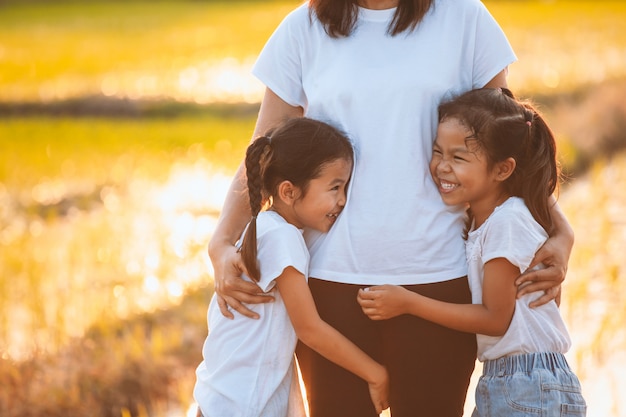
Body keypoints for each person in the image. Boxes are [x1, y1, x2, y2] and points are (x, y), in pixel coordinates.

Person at [208, 1, 574, 416]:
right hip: (328, 286)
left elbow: (507, 145)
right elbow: (263, 155)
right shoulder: (302, 29)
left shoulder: (465, 19)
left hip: (439, 280)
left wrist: (561, 232)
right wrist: (220, 242)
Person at [358, 87, 587, 416]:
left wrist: (407, 302)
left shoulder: (506, 221)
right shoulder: (493, 220)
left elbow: (495, 319)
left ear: (502, 170)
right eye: (438, 152)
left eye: (459, 158)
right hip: (515, 379)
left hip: (525, 384)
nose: (442, 167)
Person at [194, 117, 389, 417]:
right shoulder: (282, 237)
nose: (343, 200)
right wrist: (375, 374)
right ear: (288, 192)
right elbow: (310, 328)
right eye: (334, 188)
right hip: (241, 402)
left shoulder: (267, 229)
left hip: (225, 397)